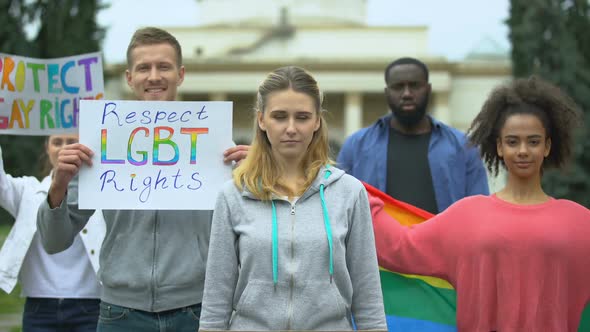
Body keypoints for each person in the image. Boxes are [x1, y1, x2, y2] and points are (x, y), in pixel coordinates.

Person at [36, 27, 248, 332]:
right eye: (143, 68)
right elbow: (54, 241)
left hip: (198, 310)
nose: (153, 76)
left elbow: (251, 229)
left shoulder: (217, 146)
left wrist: (258, 173)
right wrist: (57, 187)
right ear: (129, 78)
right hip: (120, 313)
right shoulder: (98, 144)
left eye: (163, 67)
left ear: (181, 74)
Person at [369, 76, 590, 331]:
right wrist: (356, 197)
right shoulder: (467, 215)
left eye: (533, 141)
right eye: (512, 141)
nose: (522, 151)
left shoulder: (579, 223)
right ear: (498, 146)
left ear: (548, 146)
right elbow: (400, 246)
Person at [198, 66, 387, 331]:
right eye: (279, 116)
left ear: (317, 121)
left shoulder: (349, 192)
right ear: (262, 120)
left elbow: (368, 298)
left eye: (302, 117)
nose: (291, 128)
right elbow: (216, 299)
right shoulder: (232, 195)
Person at [337, 57, 489, 214]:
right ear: (387, 92)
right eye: (398, 87)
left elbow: (480, 211)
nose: (407, 94)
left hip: (444, 238)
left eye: (415, 86)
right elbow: (339, 208)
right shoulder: (356, 146)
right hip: (377, 239)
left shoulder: (463, 146)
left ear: (428, 89)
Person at [0, 135, 105, 332]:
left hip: (92, 304)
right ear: (47, 148)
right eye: (57, 142)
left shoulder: (102, 191)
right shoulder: (28, 191)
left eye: (72, 142)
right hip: (40, 306)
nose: (64, 149)